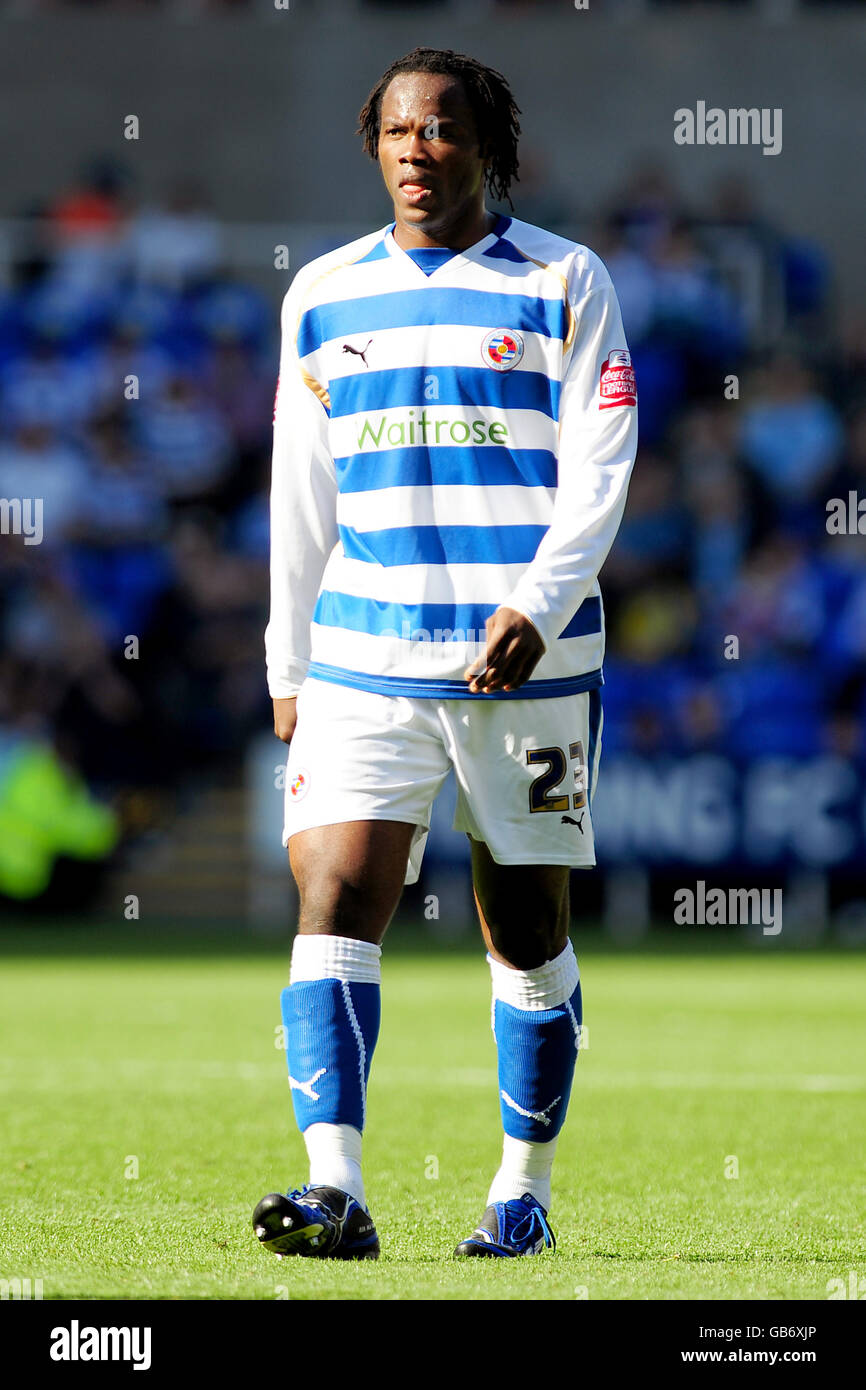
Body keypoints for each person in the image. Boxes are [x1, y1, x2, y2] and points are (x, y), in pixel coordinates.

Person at [253, 47, 637, 1261]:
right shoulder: (319, 292)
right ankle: (335, 1190)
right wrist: (286, 662)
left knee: (522, 931)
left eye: (444, 130)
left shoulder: (565, 281)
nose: (419, 150)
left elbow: (601, 463)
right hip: (363, 656)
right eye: (398, 131)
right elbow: (299, 489)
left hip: (530, 670)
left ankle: (519, 1188)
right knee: (334, 897)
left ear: (489, 147)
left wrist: (535, 599)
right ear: (373, 145)